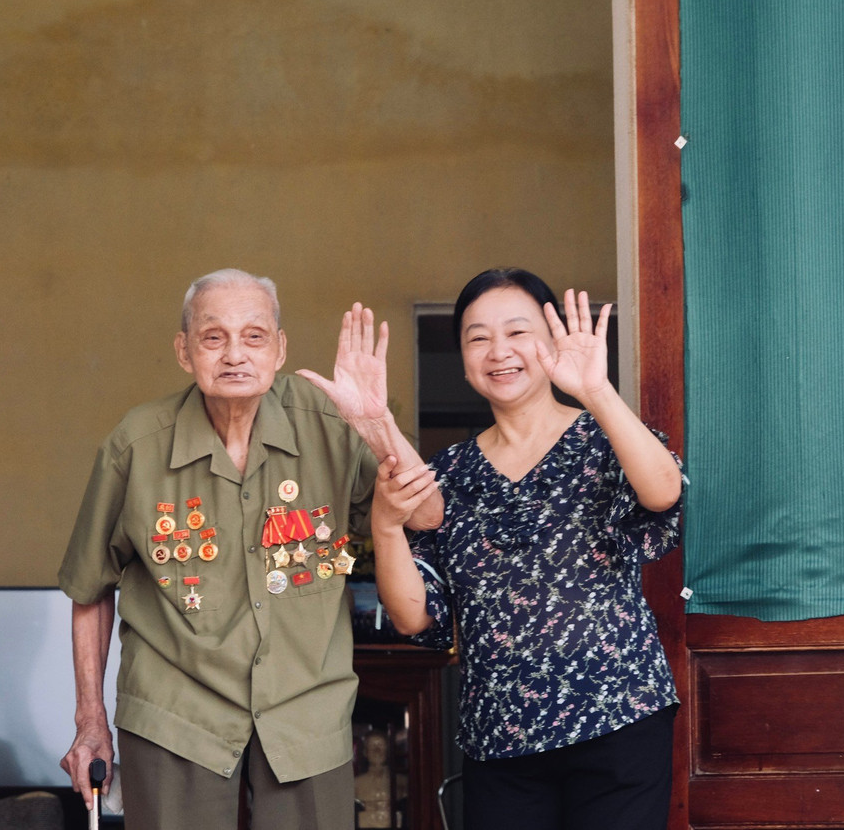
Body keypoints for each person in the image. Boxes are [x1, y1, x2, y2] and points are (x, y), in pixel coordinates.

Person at [57, 268, 441, 830]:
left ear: (280, 349)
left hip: (304, 713)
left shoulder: (330, 425)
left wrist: (376, 423)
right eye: (214, 337)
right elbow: (90, 588)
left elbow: (426, 514)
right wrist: (90, 719)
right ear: (184, 351)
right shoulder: (136, 444)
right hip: (176, 716)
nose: (235, 354)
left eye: (255, 336)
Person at [370, 268, 685, 830]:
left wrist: (595, 389)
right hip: (502, 738)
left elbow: (662, 493)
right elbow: (413, 615)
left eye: (517, 332)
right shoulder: (446, 476)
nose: (499, 352)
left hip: (616, 718)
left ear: (551, 339)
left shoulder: (601, 437)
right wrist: (386, 526)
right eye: (477, 337)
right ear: (462, 358)